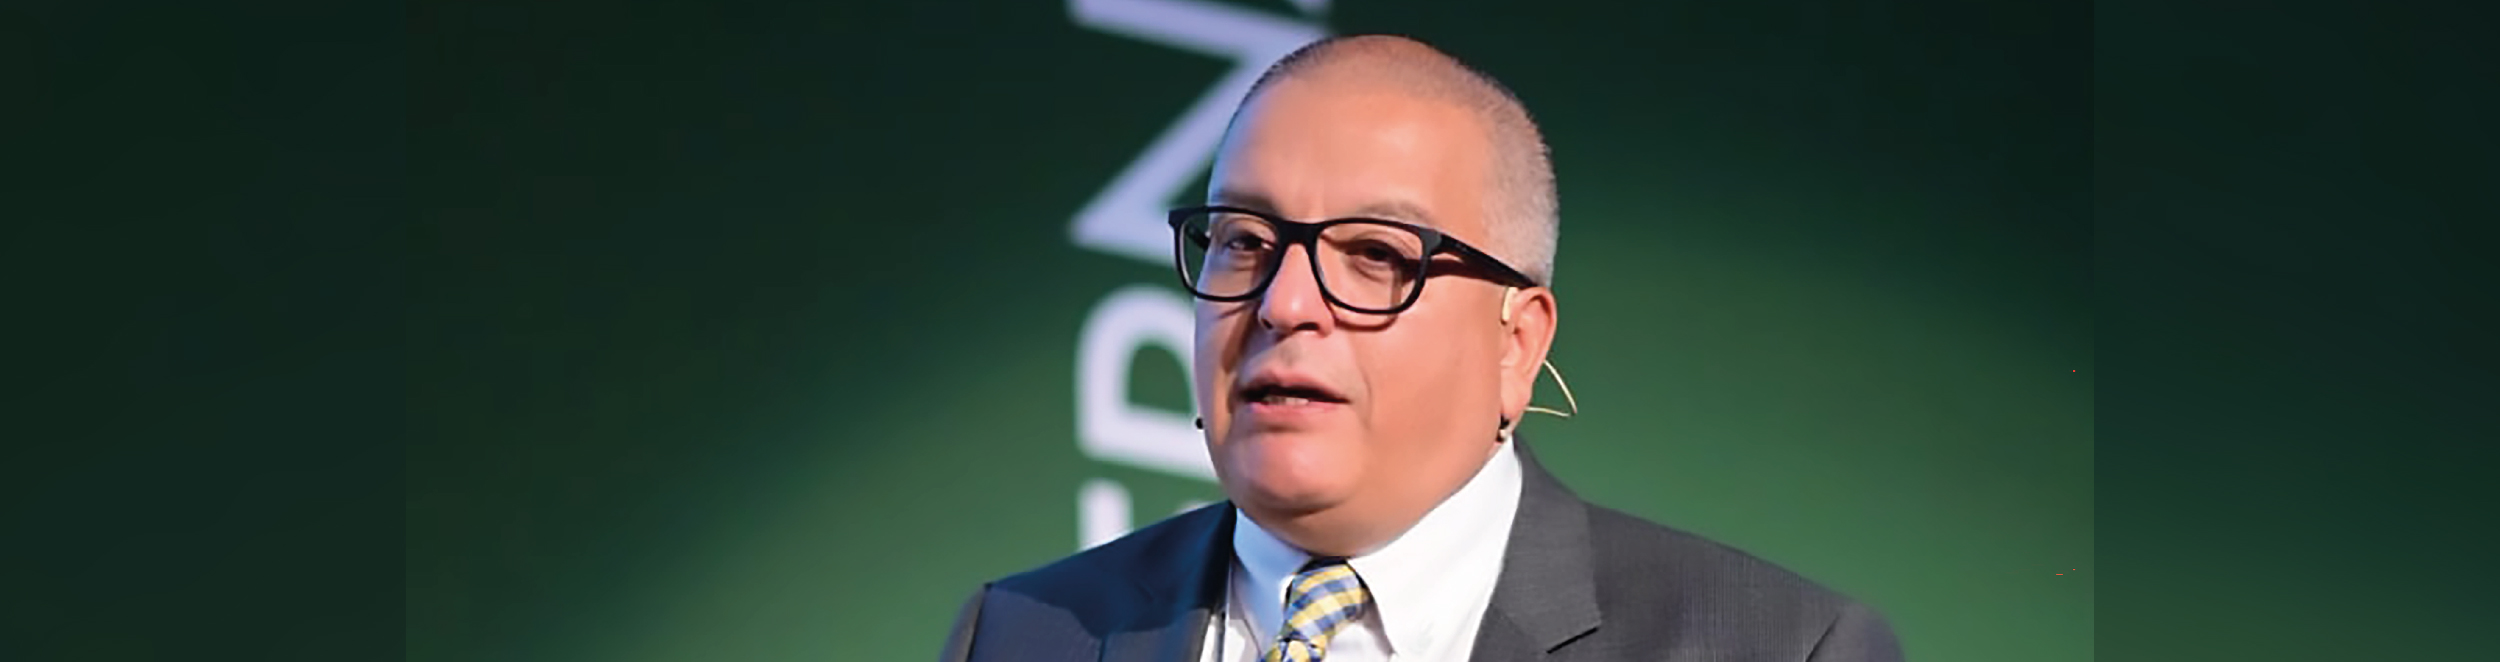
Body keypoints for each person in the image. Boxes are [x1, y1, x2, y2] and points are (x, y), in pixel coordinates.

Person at [943, 34, 1902, 662]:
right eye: (1243, 241)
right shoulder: (1025, 634)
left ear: (1516, 344)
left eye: (1374, 255)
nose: (1284, 303)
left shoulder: (1776, 648)